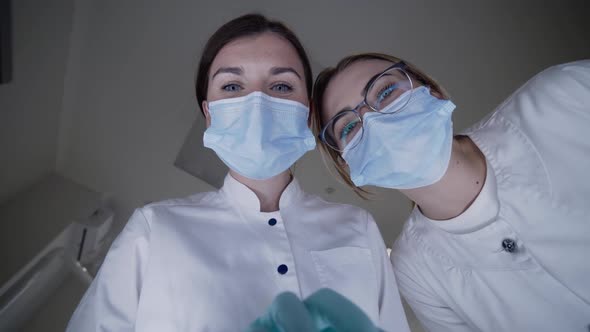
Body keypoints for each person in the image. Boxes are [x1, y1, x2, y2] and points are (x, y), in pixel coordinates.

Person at [66, 16, 410, 332]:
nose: (257, 101)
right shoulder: (155, 229)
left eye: (282, 87)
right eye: (232, 87)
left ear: (307, 113)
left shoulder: (357, 228)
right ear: (210, 113)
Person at [311, 53, 590, 331]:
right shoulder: (414, 269)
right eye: (348, 127)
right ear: (349, 164)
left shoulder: (563, 94)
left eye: (385, 92)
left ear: (430, 90)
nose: (372, 121)